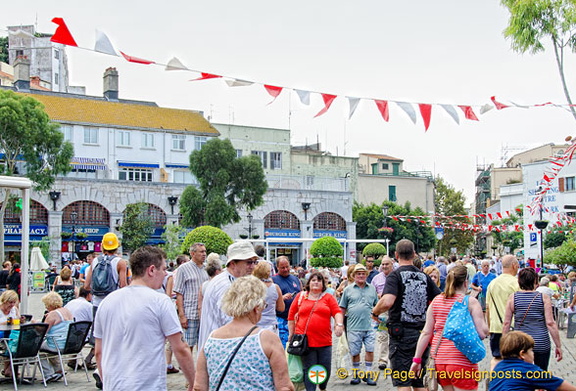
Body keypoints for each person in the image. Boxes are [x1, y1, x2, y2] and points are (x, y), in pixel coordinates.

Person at [94, 246, 195, 391]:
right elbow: (180, 348)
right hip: (146, 385)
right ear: (152, 270)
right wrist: (194, 382)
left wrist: (107, 382)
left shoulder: (107, 302)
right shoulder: (160, 301)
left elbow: (99, 352)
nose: (166, 274)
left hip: (114, 385)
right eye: (163, 269)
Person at [194, 276, 294, 391]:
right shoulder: (266, 339)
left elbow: (199, 387)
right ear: (256, 307)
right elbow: (284, 386)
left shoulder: (211, 340)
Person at [372, 239, 441, 391]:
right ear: (414, 254)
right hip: (421, 334)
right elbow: (439, 299)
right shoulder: (424, 277)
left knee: (403, 382)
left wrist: (375, 311)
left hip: (401, 335)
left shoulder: (394, 276)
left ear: (396, 255)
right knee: (418, 381)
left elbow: (387, 301)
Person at [410, 266, 489, 391]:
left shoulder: (436, 301)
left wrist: (417, 359)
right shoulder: (470, 302)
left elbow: (426, 333)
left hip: (440, 360)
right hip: (462, 360)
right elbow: (482, 333)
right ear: (466, 283)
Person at [198, 240, 259, 349]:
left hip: (222, 347)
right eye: (249, 262)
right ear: (233, 264)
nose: (253, 267)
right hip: (221, 349)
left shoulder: (231, 281)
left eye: (255, 262)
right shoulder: (225, 286)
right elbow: (232, 324)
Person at [289, 271, 343, 391]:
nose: (316, 282)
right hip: (305, 341)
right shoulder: (301, 297)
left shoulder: (328, 298)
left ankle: (322, 387)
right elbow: (291, 315)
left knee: (325, 369)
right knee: (310, 369)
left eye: (319, 280)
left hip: (324, 341)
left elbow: (337, 312)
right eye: (313, 280)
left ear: (323, 284)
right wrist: (291, 334)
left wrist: (339, 325)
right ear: (308, 283)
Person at [502, 267, 561, 371]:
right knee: (541, 373)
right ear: (535, 281)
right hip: (541, 342)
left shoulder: (513, 297)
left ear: (520, 281)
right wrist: (558, 345)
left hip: (520, 343)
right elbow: (550, 323)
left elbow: (506, 323)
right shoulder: (543, 298)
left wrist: (504, 345)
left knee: (521, 374)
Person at [489, 331, 576, 391]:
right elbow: (562, 386)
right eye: (531, 351)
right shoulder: (529, 370)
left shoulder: (498, 367)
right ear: (522, 354)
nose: (533, 354)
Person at [340, 264, 379, 386]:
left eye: (363, 274)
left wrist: (378, 317)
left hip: (370, 326)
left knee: (370, 349)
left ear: (366, 275)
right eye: (358, 274)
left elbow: (377, 305)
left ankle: (368, 374)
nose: (361, 276)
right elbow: (342, 308)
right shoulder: (348, 289)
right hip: (353, 326)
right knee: (355, 352)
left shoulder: (372, 288)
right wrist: (340, 323)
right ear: (354, 276)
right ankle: (356, 375)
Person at [174, 243, 209, 353]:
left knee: (203, 343)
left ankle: (200, 368)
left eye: (205, 251)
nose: (204, 254)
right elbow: (179, 293)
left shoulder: (207, 268)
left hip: (204, 313)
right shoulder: (183, 269)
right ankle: (187, 368)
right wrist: (182, 315)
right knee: (188, 344)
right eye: (201, 252)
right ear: (192, 253)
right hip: (190, 313)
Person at [486, 254, 519, 364]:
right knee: (514, 360)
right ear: (514, 266)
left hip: (495, 327)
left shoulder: (492, 283)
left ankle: (496, 378)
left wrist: (489, 327)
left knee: (497, 359)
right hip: (513, 328)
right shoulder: (516, 283)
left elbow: (488, 308)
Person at [40, 291, 75, 383]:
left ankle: (48, 374)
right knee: (48, 348)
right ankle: (58, 369)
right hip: (67, 343)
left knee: (37, 351)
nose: (46, 307)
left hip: (57, 344)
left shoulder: (52, 314)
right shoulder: (67, 311)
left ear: (50, 304)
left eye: (46, 305)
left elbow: (43, 331)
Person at [272, 255, 302, 348]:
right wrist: (281, 298)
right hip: (282, 320)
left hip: (296, 319)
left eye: (287, 267)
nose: (285, 269)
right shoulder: (273, 280)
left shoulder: (295, 279)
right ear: (277, 268)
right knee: (284, 347)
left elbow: (301, 293)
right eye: (282, 268)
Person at [370, 256, 394, 370]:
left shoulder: (396, 277)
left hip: (395, 310)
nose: (384, 266)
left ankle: (394, 359)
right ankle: (382, 360)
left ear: (392, 265)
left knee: (395, 334)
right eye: (383, 264)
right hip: (382, 311)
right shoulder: (376, 278)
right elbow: (372, 294)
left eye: (387, 264)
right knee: (382, 336)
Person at [253, 261, 284, 334]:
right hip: (270, 324)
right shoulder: (275, 287)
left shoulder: (252, 287)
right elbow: (281, 308)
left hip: (255, 324)